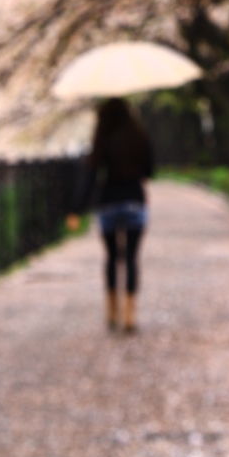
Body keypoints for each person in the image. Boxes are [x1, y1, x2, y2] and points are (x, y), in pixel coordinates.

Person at [68, 98, 153, 332]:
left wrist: (76, 209)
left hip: (109, 203)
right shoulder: (140, 136)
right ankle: (130, 315)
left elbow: (90, 177)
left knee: (112, 257)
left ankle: (111, 312)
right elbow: (150, 171)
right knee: (132, 258)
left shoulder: (102, 140)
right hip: (135, 201)